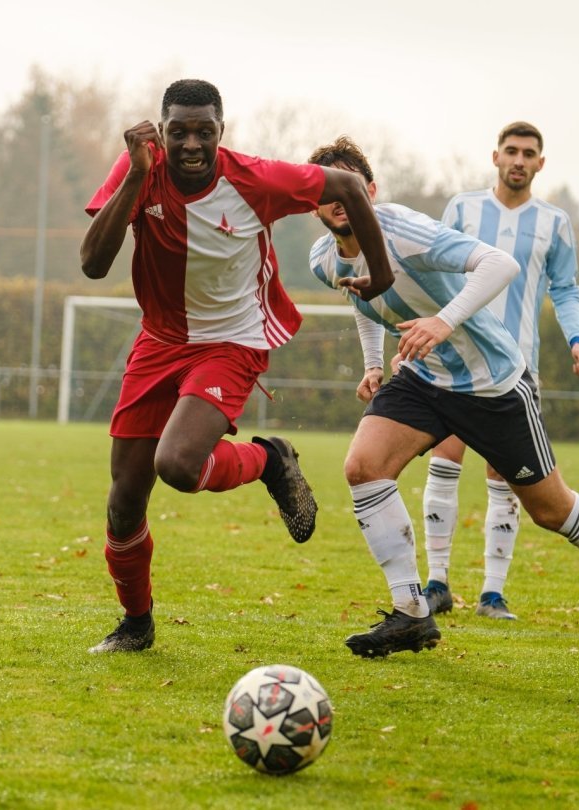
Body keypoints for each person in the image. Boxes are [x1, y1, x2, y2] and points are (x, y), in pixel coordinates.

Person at [307, 136, 579, 663]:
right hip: (424, 379)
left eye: (349, 187)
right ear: (312, 200)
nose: (338, 198)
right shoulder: (322, 258)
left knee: (551, 510)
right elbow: (363, 296)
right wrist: (374, 363)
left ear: (370, 192)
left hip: (492, 384)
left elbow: (499, 264)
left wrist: (443, 322)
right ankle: (412, 614)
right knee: (363, 467)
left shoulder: (407, 231)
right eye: (327, 189)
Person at [78, 80, 393, 654]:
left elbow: (347, 184)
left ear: (222, 132)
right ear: (162, 129)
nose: (191, 144)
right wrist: (133, 174)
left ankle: (269, 459)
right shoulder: (139, 167)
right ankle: (137, 624)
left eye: (204, 131)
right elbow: (93, 264)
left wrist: (384, 276)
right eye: (179, 132)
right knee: (124, 500)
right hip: (159, 342)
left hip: (231, 342)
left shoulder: (254, 178)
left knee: (176, 463)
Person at [412, 121, 579, 622]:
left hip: (516, 367)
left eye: (529, 153)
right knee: (444, 462)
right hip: (456, 359)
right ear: (495, 157)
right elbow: (433, 270)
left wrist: (577, 341)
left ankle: (493, 593)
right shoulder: (462, 208)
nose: (519, 159)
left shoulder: (555, 222)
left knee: (506, 477)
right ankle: (437, 583)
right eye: (511, 151)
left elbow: (564, 288)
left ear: (541, 163)